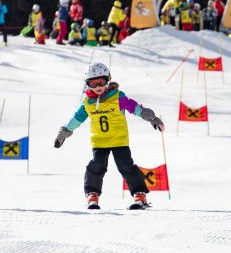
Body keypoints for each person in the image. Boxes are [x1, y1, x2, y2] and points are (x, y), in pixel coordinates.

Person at [53, 63, 165, 210]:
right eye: (93, 83)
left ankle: (139, 194)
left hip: (119, 140)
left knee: (126, 167)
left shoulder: (118, 97)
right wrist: (64, 133)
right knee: (96, 166)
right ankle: (92, 195)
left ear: (108, 80)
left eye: (101, 81)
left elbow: (136, 108)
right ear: (87, 84)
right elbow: (77, 119)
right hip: (99, 141)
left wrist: (152, 118)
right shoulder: (87, 102)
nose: (98, 86)